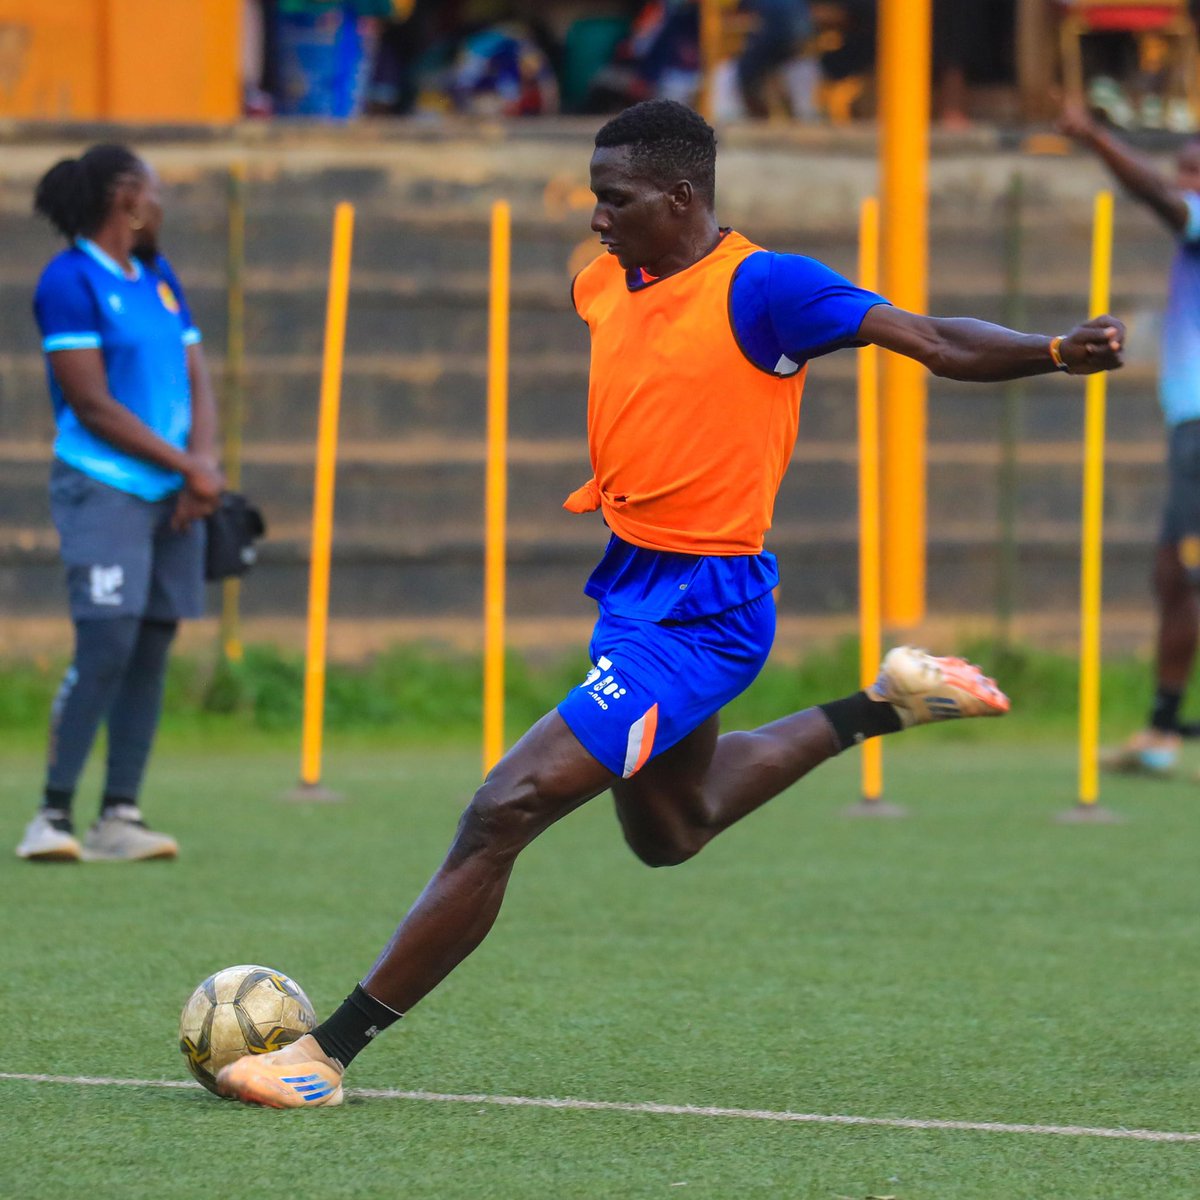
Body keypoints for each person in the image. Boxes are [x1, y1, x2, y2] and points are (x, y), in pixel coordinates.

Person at [217, 100, 1125, 1108]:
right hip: (632, 593)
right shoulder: (605, 280)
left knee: (503, 808)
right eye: (594, 199)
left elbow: (933, 340)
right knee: (672, 830)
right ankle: (885, 703)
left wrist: (1050, 351)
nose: (597, 219)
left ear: (682, 197)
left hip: (706, 613)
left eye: (616, 200)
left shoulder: (767, 287)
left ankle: (324, 1055)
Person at [15, 144, 223, 863]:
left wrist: (205, 469)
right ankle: (51, 815)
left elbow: (197, 373)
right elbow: (92, 404)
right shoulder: (67, 280)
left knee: (152, 645)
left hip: (175, 494)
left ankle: (119, 817)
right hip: (104, 485)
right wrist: (187, 466)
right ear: (128, 199)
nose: (163, 205)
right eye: (156, 192)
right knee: (107, 639)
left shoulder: (159, 276)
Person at [1060, 103, 1200, 776]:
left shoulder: (1193, 218)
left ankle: (1165, 732)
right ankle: (1166, 725)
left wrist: (1092, 136)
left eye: (1196, 173)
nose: (1186, 183)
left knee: (1188, 577)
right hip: (1189, 429)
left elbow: (1157, 197)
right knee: (1172, 576)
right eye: (1184, 171)